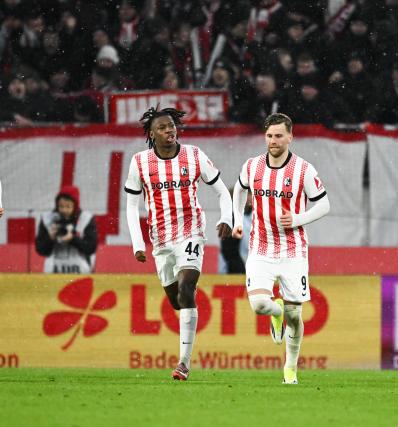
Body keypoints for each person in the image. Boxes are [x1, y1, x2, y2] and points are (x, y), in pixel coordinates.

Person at [124, 107, 233, 381]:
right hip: (160, 239)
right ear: (151, 134)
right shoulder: (139, 162)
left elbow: (222, 190)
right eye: (162, 128)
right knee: (177, 301)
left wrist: (227, 217)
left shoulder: (194, 155)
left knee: (186, 287)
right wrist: (138, 244)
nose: (169, 131)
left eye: (171, 126)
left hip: (191, 231)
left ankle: (183, 363)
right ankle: (188, 312)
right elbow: (131, 205)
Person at [231, 113, 330, 384]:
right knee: (260, 305)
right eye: (269, 136)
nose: (273, 141)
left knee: (295, 314)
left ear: (290, 137)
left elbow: (324, 205)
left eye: (278, 136)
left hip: (293, 251)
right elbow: (239, 190)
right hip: (261, 247)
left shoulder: (303, 170)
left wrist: (298, 219)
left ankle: (290, 369)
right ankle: (276, 314)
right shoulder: (252, 166)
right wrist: (237, 220)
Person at [35, 185, 97, 273]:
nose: (64, 210)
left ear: (75, 206)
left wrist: (73, 239)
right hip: (53, 272)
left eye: (68, 207)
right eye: (61, 206)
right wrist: (50, 238)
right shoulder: (47, 219)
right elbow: (40, 249)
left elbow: (91, 248)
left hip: (80, 272)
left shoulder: (85, 218)